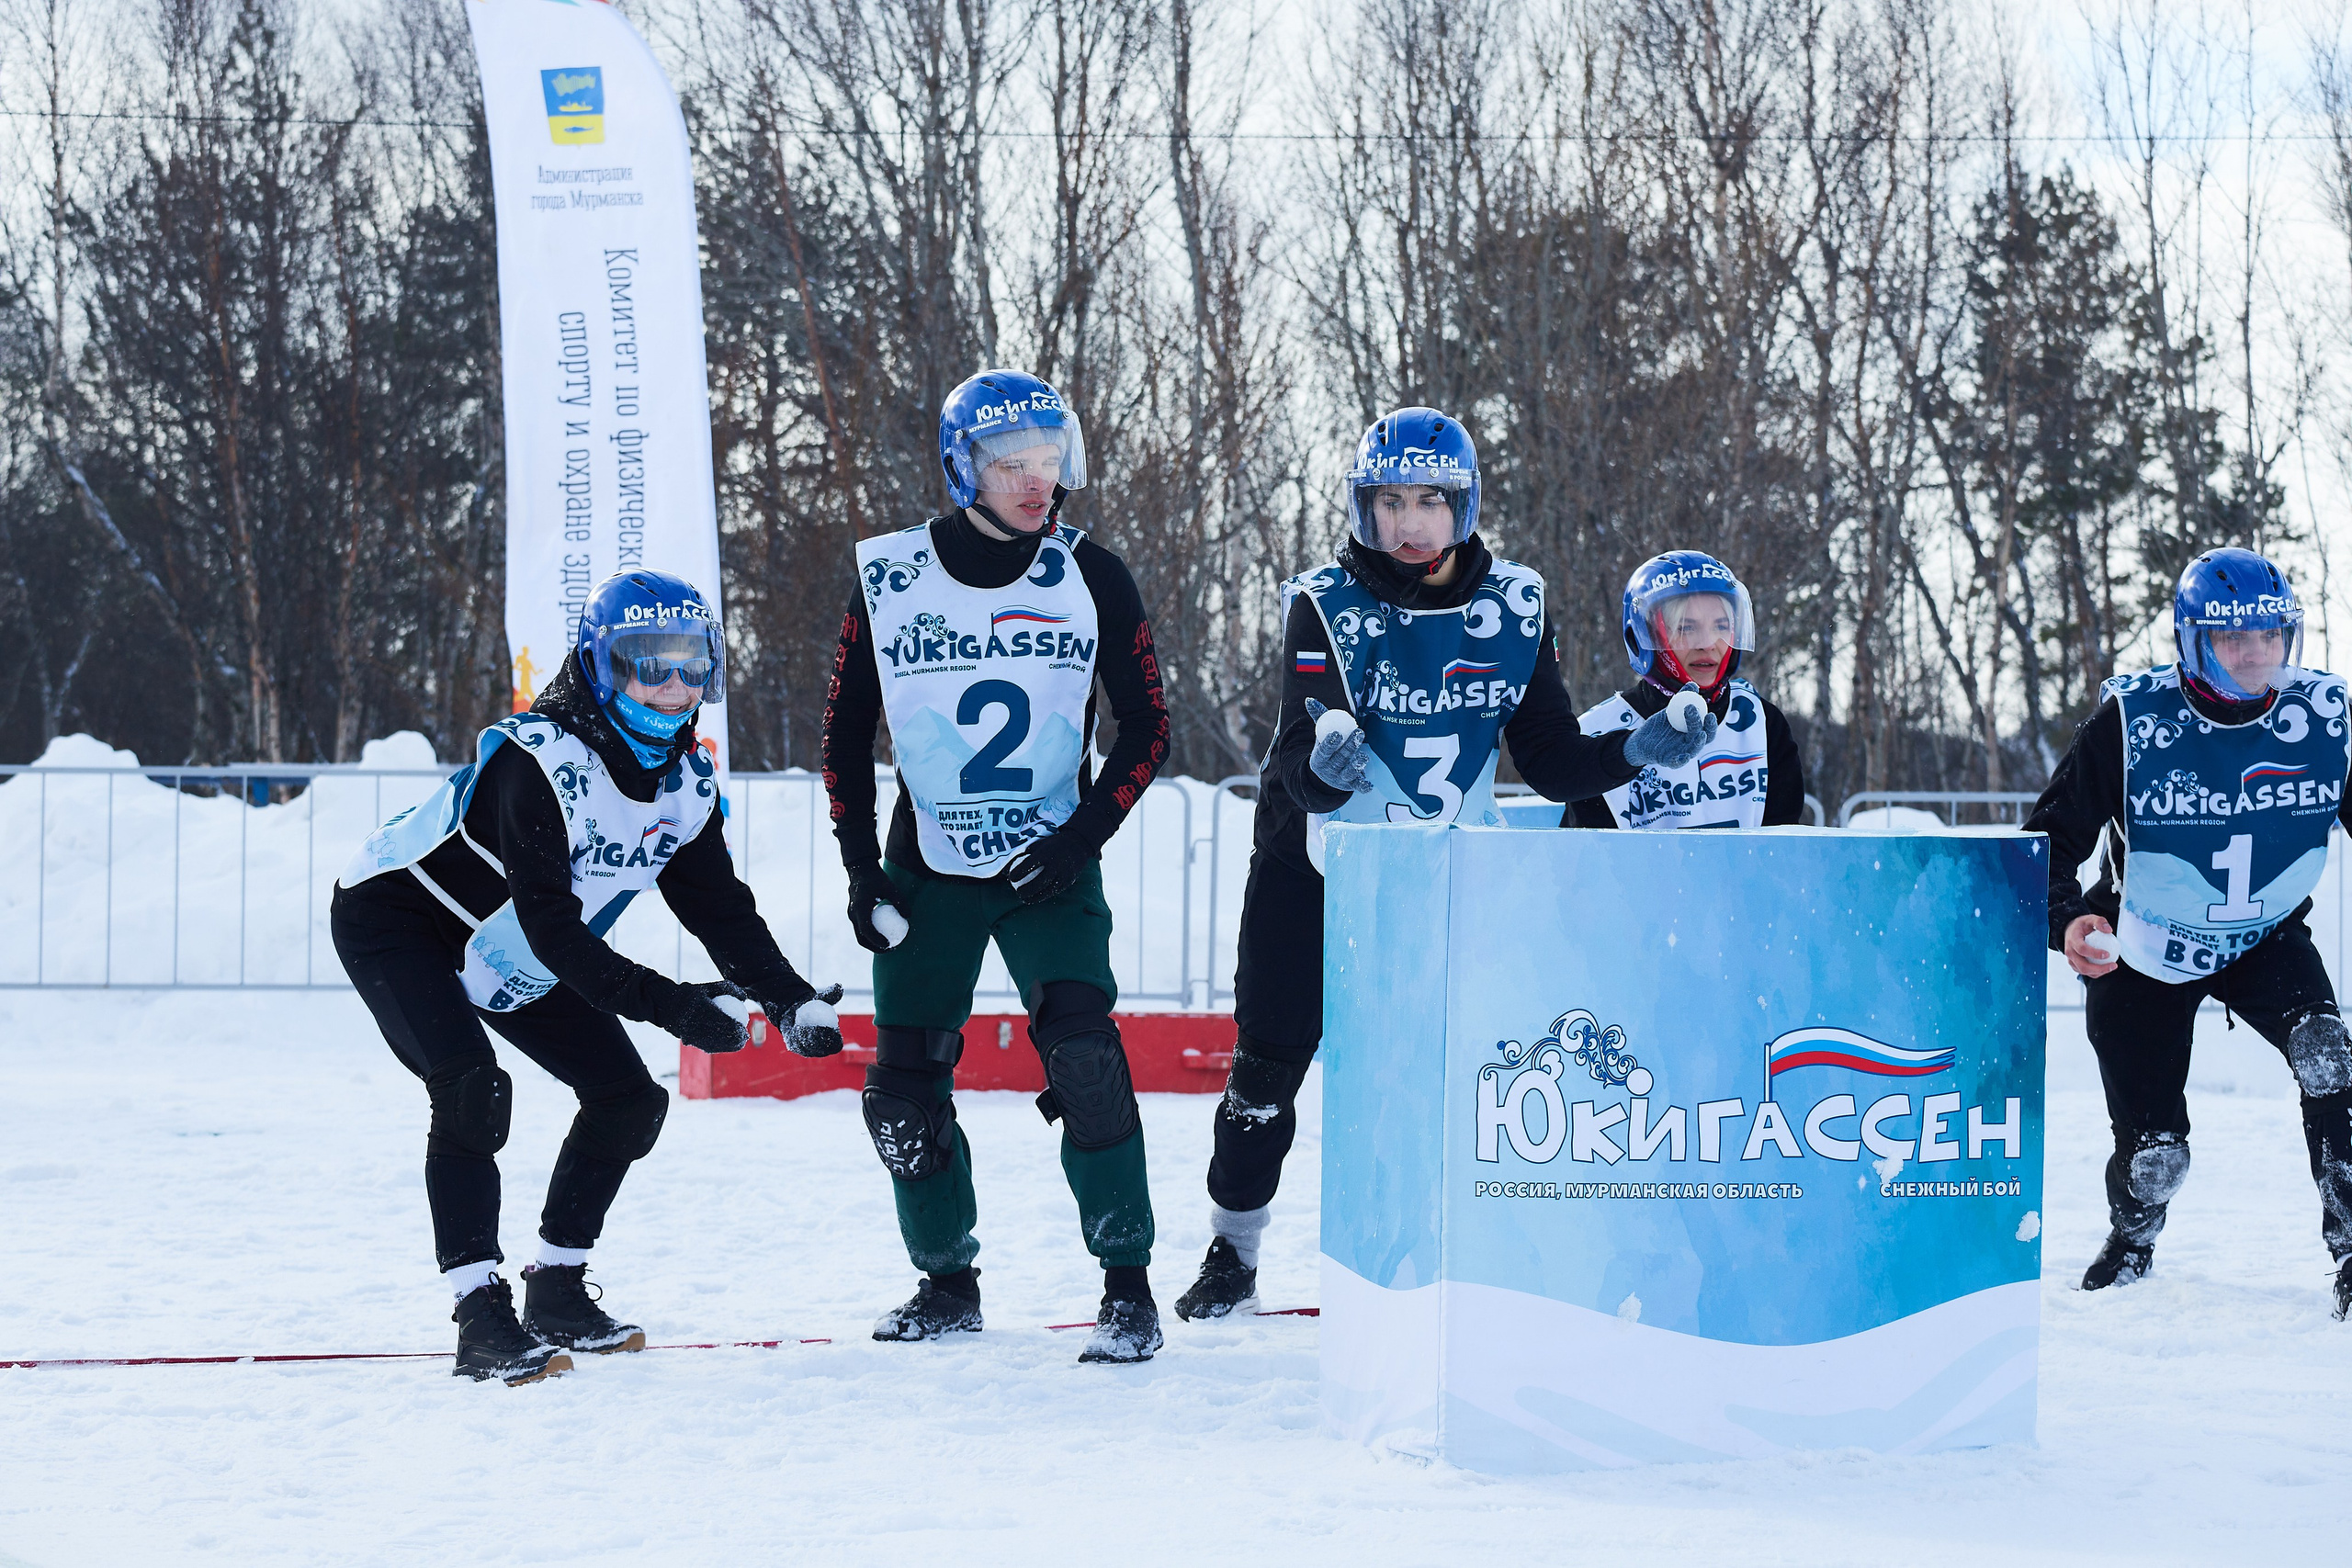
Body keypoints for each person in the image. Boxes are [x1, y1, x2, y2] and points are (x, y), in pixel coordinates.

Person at [1172, 408, 1720, 1322]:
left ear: (1463, 506)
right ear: (1364, 507)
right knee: (1265, 1073)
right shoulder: (1324, 601)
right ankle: (1233, 1250)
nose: (1409, 523)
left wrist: (1637, 751)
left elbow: (1549, 760)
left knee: (1450, 1074)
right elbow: (1295, 764)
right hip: (1311, 870)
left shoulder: (1515, 605)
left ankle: (1443, 1252)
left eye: (1429, 501)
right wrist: (1324, 768)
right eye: (1389, 502)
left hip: (1442, 877)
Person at [333, 570, 844, 1384]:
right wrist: (673, 1007)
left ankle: (559, 1290)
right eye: (651, 662)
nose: (675, 684)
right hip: (401, 919)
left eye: (692, 663)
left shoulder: (686, 783)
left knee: (628, 1099)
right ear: (603, 668)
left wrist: (789, 1000)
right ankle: (480, 1316)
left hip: (511, 944)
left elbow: (719, 909)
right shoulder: (536, 762)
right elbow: (558, 934)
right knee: (471, 1088)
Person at [820, 368, 1173, 1363]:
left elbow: (1149, 726)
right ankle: (946, 1282)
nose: (1034, 481)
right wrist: (860, 869)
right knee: (903, 1090)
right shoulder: (890, 576)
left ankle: (1128, 1287)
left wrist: (1080, 839)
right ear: (961, 468)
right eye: (1010, 462)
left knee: (1086, 1060)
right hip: (927, 865)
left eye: (1048, 459)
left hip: (1049, 864)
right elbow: (843, 735)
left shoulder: (1093, 573)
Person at [2025, 547, 2352, 1318]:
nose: (2255, 653)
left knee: (2328, 1055)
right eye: (2232, 637)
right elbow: (2046, 841)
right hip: (2143, 940)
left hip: (2265, 933)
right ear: (2193, 640)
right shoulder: (2132, 720)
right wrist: (2067, 919)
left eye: (2269, 634)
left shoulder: (2326, 719)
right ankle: (2134, 1233)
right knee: (2156, 1156)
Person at [1562, 550, 1806, 830]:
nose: (1707, 643)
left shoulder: (1761, 722)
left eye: (1721, 626)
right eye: (1686, 628)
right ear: (1644, 636)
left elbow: (1783, 841)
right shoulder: (1596, 734)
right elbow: (1590, 853)